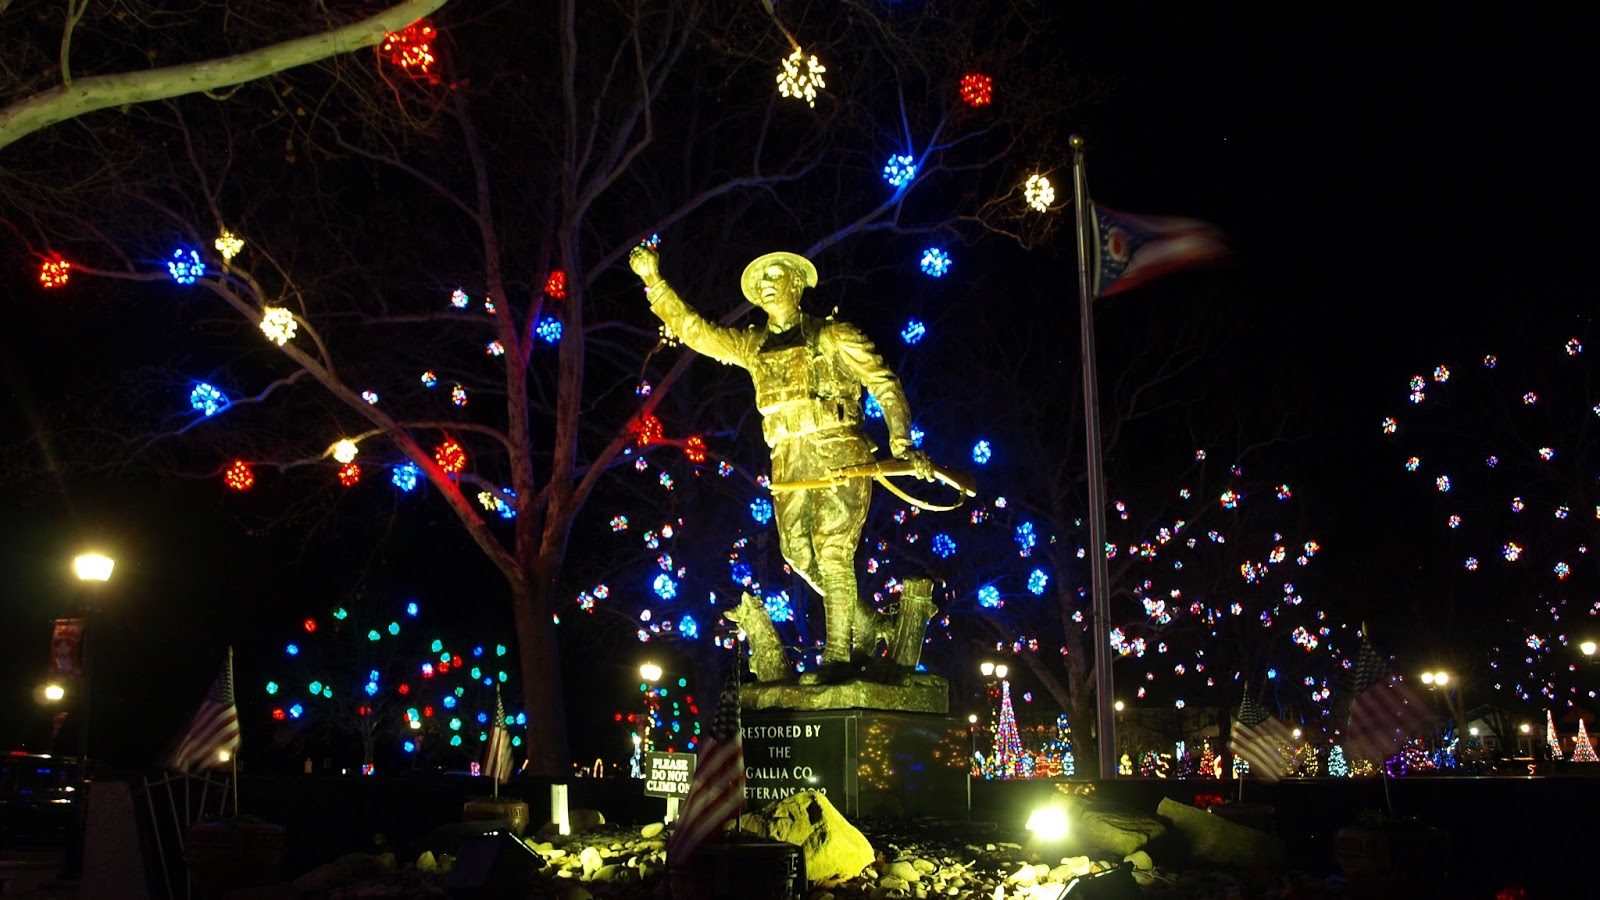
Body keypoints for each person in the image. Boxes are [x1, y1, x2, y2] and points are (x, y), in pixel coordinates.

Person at [629, 243, 931, 681]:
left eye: (775, 277)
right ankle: (866, 622)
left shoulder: (834, 336)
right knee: (798, 553)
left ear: (797, 284)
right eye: (761, 282)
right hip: (788, 461)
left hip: (839, 452)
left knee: (832, 549)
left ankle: (838, 656)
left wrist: (901, 442)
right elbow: (697, 332)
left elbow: (884, 383)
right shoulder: (753, 346)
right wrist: (654, 282)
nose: (766, 286)